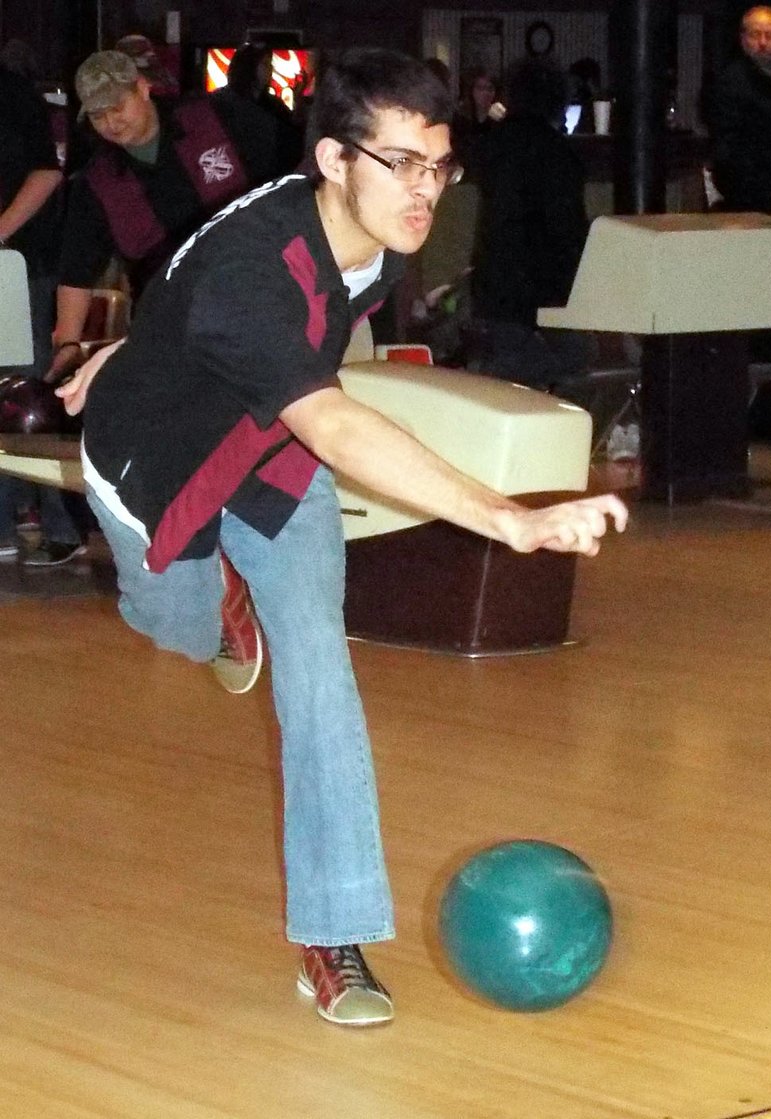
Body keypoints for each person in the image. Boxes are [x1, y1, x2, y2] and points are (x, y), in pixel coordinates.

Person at [57, 47, 627, 1029]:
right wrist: (508, 516)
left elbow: (281, 363)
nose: (422, 194)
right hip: (156, 473)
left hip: (272, 459)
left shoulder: (367, 235)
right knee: (182, 628)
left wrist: (148, 336)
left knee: (319, 672)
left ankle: (331, 939)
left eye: (436, 165)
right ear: (330, 159)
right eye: (397, 163)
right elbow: (337, 419)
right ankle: (217, 614)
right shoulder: (253, 266)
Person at [46, 48, 303, 385]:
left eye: (117, 107)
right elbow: (76, 272)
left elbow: (298, 172)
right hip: (170, 327)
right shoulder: (97, 184)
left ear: (142, 87)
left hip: (257, 299)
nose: (111, 123)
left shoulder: (215, 117)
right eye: (98, 116)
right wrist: (67, 344)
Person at [0, 56, 86, 565]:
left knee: (27, 394)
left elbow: (47, 173)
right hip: (15, 259)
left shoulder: (11, 91)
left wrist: (1, 231)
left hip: (22, 264)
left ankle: (59, 521)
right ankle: (14, 521)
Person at [468, 57, 595, 390]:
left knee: (507, 378)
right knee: (575, 369)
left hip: (498, 283)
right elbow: (567, 228)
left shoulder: (497, 142)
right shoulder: (558, 153)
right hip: (547, 285)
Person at [709, 5, 771, 218]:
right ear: (743, 38)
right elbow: (731, 153)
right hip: (764, 203)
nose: (762, 43)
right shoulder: (730, 83)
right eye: (755, 35)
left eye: (770, 36)